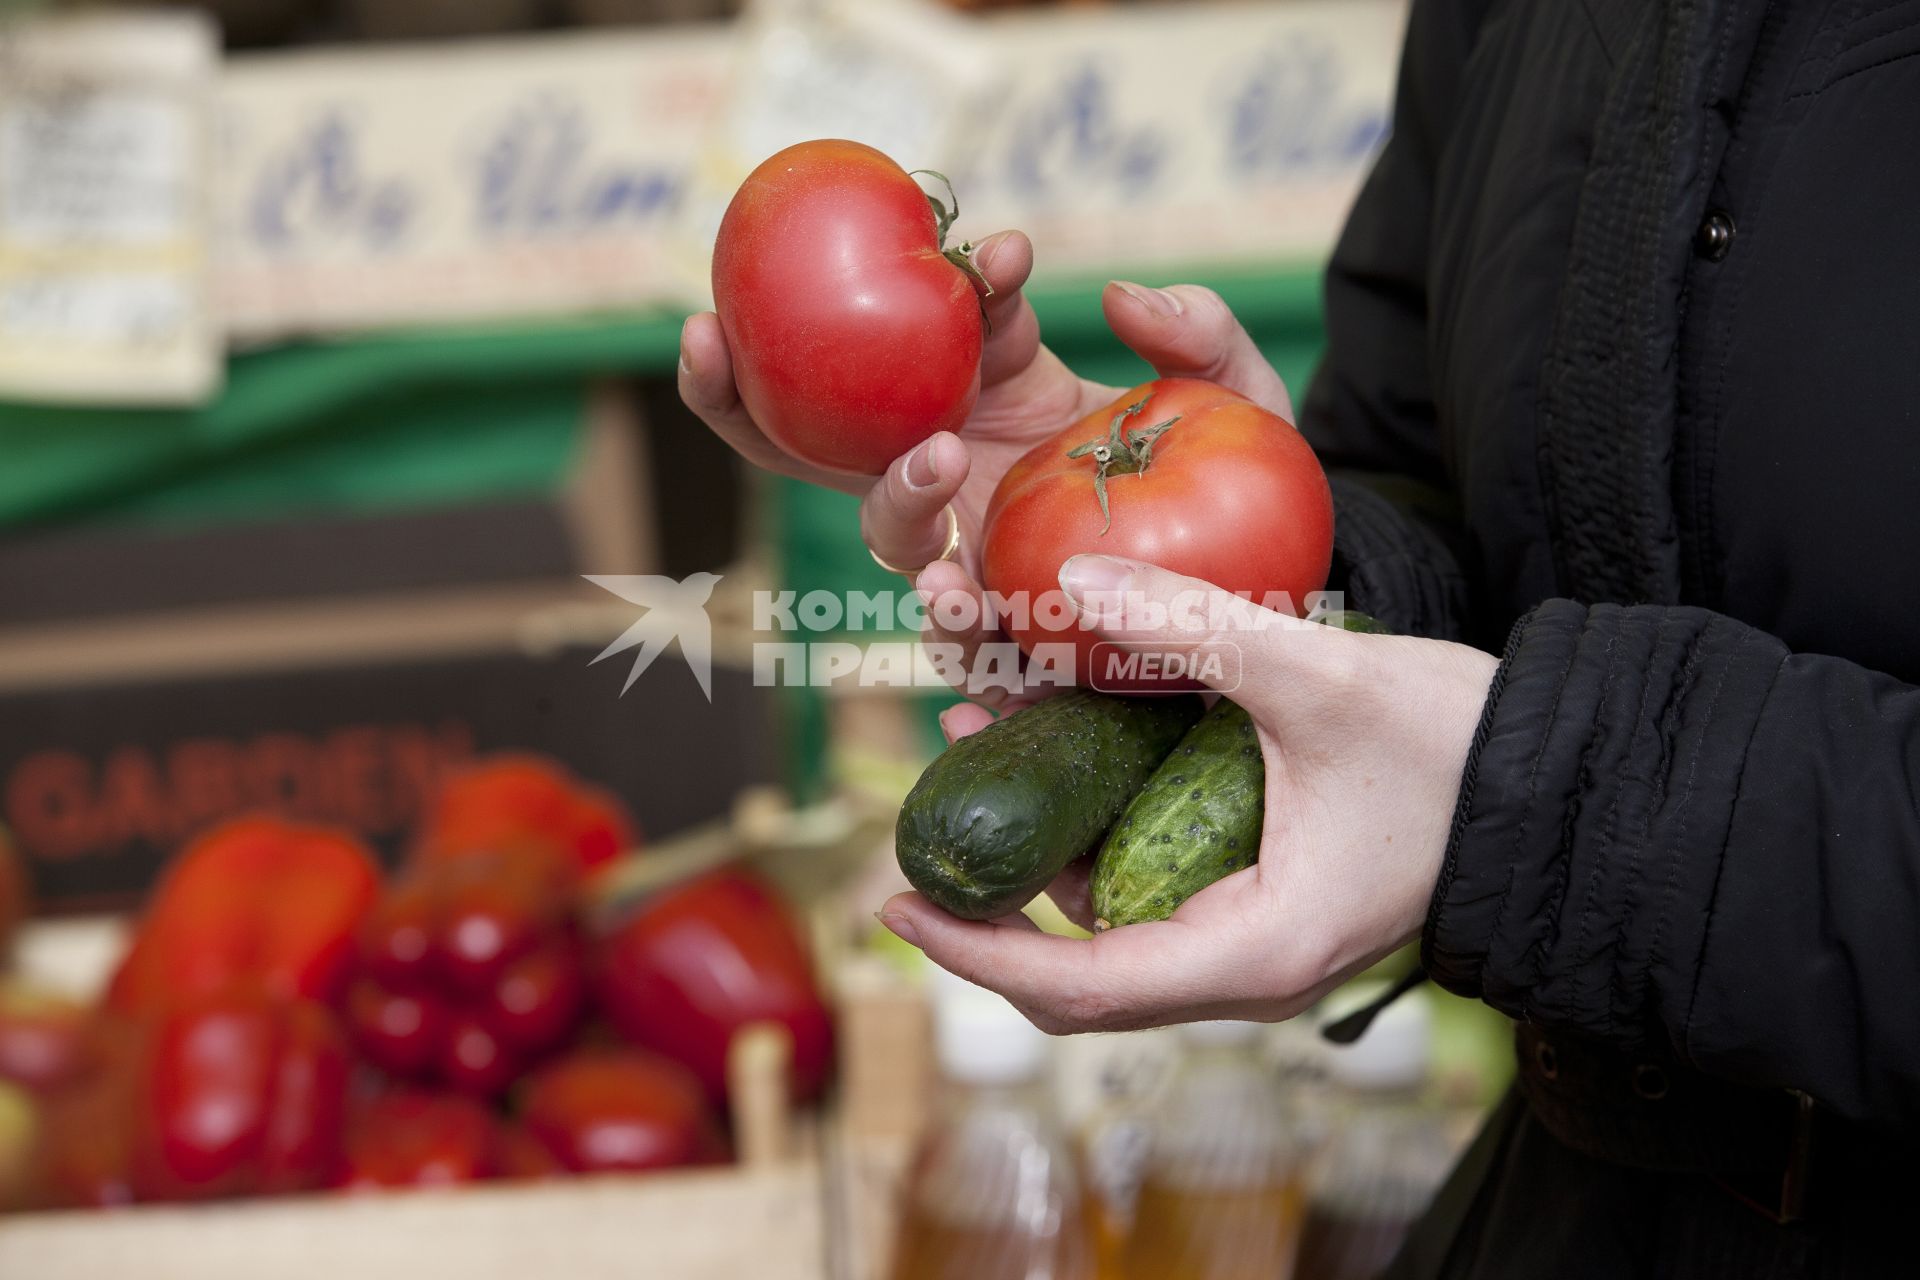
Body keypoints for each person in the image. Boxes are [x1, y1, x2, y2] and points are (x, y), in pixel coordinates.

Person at [682, 0, 1920, 1272]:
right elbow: (1433, 474)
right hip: (1569, 1210)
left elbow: (1521, 753)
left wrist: (1527, 799)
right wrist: (1302, 585)